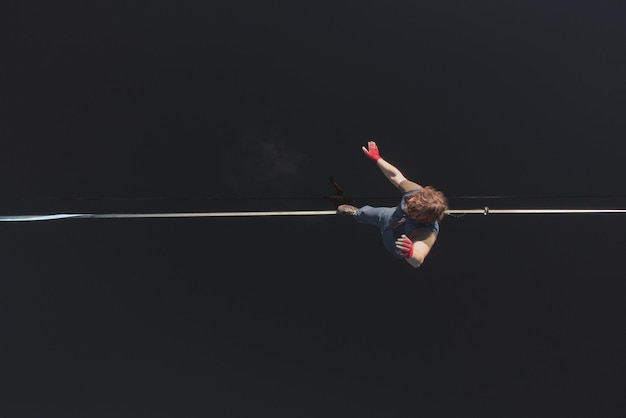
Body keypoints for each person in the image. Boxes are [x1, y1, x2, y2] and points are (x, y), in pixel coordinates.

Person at [337, 141, 448, 268]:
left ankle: (397, 251)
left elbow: (419, 259)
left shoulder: (427, 231)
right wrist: (378, 159)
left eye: (411, 211)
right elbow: (395, 176)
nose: (405, 207)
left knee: (395, 249)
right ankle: (357, 213)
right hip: (390, 217)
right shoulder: (415, 193)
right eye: (408, 203)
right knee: (368, 212)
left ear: (422, 218)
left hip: (396, 241)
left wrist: (410, 253)